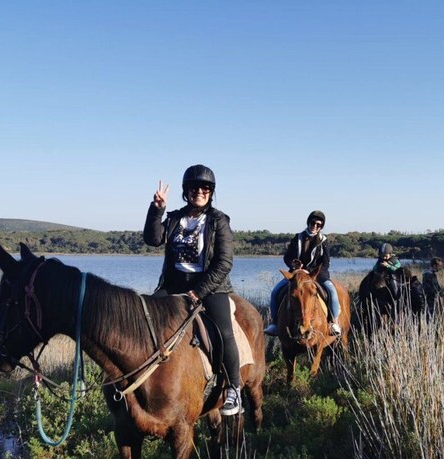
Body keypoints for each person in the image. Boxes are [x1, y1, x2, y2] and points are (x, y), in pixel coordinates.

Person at [143, 164, 242, 416]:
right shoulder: (175, 218)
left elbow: (224, 262)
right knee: (144, 319)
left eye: (205, 188)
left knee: (223, 331)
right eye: (195, 187)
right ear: (186, 191)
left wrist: (199, 291)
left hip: (210, 286)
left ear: (211, 192)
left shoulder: (219, 220)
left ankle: (234, 388)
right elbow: (153, 239)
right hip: (174, 284)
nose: (200, 191)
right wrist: (157, 210)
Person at [264, 210, 342, 337]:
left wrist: (311, 272)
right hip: (296, 274)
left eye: (319, 225)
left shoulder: (324, 241)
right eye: (313, 223)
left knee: (332, 292)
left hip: (316, 275)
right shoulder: (297, 238)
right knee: (275, 292)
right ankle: (275, 324)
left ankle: (333, 322)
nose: (315, 226)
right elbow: (287, 257)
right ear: (308, 222)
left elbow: (326, 263)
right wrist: (293, 265)